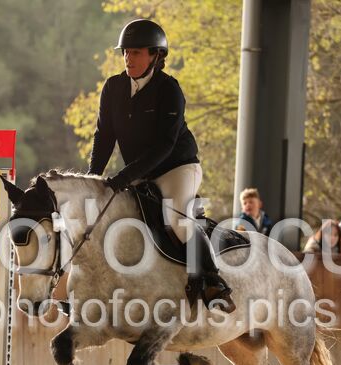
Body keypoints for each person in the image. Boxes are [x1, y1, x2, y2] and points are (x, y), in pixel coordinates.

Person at [87, 19, 234, 312]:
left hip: (177, 168)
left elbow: (165, 145)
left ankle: (212, 280)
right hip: (140, 172)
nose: (128, 58)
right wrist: (93, 178)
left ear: (156, 55)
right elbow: (104, 137)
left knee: (177, 219)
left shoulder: (169, 89)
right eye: (125, 52)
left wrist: (123, 177)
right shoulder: (113, 87)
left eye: (136, 52)